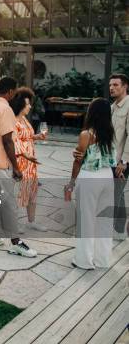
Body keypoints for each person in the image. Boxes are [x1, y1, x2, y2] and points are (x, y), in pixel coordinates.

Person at [0, 77, 37, 257]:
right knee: (9, 203)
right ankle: (16, 243)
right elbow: (8, 141)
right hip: (1, 164)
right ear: (11, 92)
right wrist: (16, 167)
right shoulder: (5, 110)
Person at [65, 98, 116, 269]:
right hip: (107, 177)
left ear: (92, 113)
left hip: (90, 177)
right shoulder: (110, 133)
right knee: (104, 221)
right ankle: (102, 260)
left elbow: (78, 161)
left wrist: (71, 182)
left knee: (86, 220)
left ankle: (84, 261)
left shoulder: (86, 134)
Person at [9, 87, 48, 232]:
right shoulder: (12, 121)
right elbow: (14, 142)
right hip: (20, 162)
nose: (30, 106)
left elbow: (27, 136)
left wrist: (37, 136)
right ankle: (13, 223)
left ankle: (31, 221)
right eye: (27, 104)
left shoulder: (24, 120)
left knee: (32, 192)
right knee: (19, 193)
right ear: (20, 105)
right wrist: (26, 155)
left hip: (31, 163)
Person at [109, 74, 129, 241]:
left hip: (121, 160)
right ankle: (119, 228)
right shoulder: (113, 106)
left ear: (125, 87)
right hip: (111, 157)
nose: (112, 88)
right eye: (110, 85)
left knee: (116, 192)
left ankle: (118, 230)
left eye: (116, 85)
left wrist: (124, 161)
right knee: (117, 193)